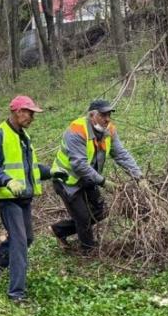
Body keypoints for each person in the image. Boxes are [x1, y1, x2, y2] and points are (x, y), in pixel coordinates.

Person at [0, 95, 59, 303]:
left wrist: (51, 172)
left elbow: (29, 169)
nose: (32, 117)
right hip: (8, 198)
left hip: (24, 197)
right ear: (17, 112)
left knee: (28, 239)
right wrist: (7, 181)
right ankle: (17, 293)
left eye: (33, 113)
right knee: (19, 241)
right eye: (29, 112)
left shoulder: (23, 136)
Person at [49, 99, 144, 253]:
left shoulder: (109, 130)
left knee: (102, 210)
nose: (107, 119)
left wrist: (139, 177)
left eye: (109, 115)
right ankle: (88, 250)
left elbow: (121, 155)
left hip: (88, 179)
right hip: (67, 180)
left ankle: (59, 230)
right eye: (102, 115)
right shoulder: (77, 130)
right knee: (83, 217)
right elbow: (79, 165)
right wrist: (104, 182)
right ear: (92, 115)